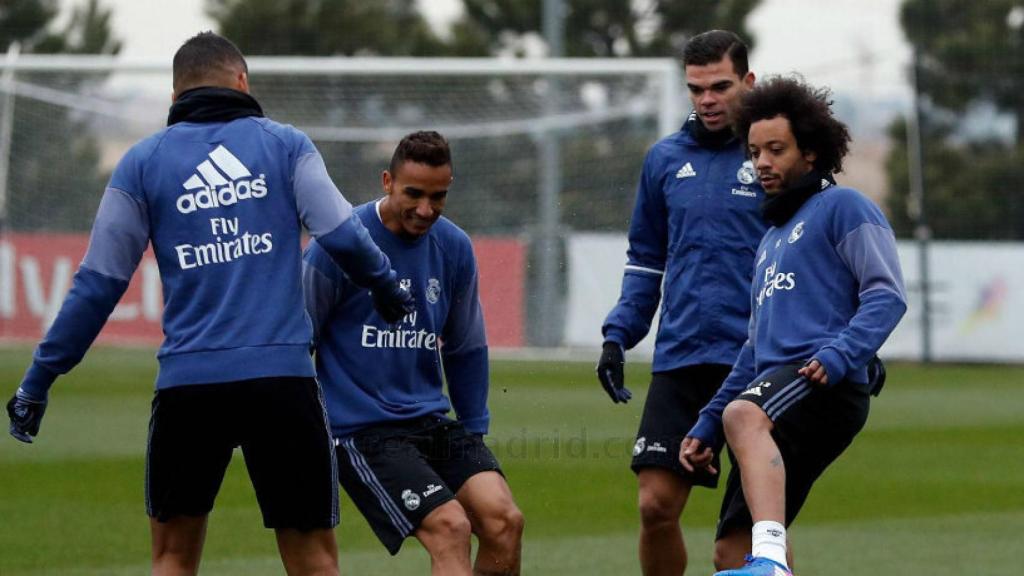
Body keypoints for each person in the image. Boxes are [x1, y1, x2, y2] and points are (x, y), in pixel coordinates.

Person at [5, 32, 413, 576]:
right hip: (281, 382)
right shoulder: (285, 144)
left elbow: (98, 283)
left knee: (173, 558)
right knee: (314, 561)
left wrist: (39, 378)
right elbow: (341, 233)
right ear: (242, 81)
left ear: (176, 96)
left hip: (190, 386)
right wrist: (387, 287)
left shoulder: (141, 163)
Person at [680, 76, 907, 576]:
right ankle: (763, 559)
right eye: (754, 151)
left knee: (744, 418)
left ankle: (770, 560)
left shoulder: (844, 208)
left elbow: (886, 295)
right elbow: (753, 349)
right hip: (775, 388)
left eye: (776, 149)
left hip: (821, 382)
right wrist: (706, 422)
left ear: (810, 153)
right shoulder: (771, 239)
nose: (761, 162)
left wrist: (840, 354)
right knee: (728, 553)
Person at [303, 131, 524, 576]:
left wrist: (474, 427)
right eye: (414, 194)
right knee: (451, 527)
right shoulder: (339, 244)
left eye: (438, 196)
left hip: (429, 420)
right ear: (387, 181)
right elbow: (297, 337)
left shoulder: (455, 246)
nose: (426, 209)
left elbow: (465, 346)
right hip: (363, 430)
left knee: (505, 522)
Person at [596, 30, 767, 575]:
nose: (708, 100)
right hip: (683, 354)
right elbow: (646, 260)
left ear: (748, 81)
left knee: (740, 547)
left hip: (759, 361)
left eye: (719, 86)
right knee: (655, 506)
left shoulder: (778, 156)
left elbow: (821, 256)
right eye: (696, 89)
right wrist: (619, 332)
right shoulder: (665, 160)